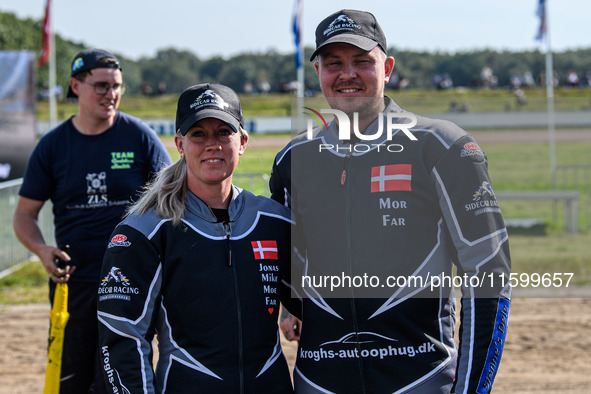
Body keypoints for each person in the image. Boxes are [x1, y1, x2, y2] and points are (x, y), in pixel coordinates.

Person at [270, 9, 511, 394]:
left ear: (387, 68)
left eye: (362, 61)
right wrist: (291, 306)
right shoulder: (292, 160)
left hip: (421, 381)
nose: (347, 74)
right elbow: (283, 267)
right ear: (318, 72)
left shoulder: (443, 146)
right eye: (334, 63)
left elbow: (489, 274)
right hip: (320, 382)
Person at [97, 83, 297, 393]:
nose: (212, 144)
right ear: (179, 143)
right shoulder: (145, 230)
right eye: (198, 134)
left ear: (242, 141)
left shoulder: (274, 221)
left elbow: (318, 300)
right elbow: (122, 336)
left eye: (223, 132)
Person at [12, 48, 172, 393]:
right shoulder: (53, 146)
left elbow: (173, 201)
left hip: (131, 282)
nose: (110, 94)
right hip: (74, 283)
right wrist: (41, 250)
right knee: (71, 379)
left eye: (116, 86)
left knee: (122, 377)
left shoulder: (140, 137)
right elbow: (24, 214)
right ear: (75, 86)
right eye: (100, 86)